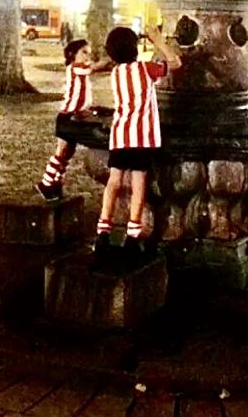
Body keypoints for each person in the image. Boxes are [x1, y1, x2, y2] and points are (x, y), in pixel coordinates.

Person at [95, 24, 182, 265]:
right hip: (141, 137)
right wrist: (157, 39)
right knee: (138, 184)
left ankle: (102, 233)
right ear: (134, 47)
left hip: (120, 134)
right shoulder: (145, 69)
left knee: (113, 183)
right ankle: (132, 237)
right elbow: (174, 63)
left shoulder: (116, 73)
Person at [36, 39, 111, 201]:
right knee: (60, 153)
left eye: (88, 53)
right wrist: (108, 58)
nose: (87, 56)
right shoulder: (74, 68)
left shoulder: (80, 70)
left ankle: (55, 182)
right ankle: (46, 184)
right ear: (72, 54)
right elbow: (92, 68)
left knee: (67, 154)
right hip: (67, 117)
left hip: (75, 117)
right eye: (84, 52)